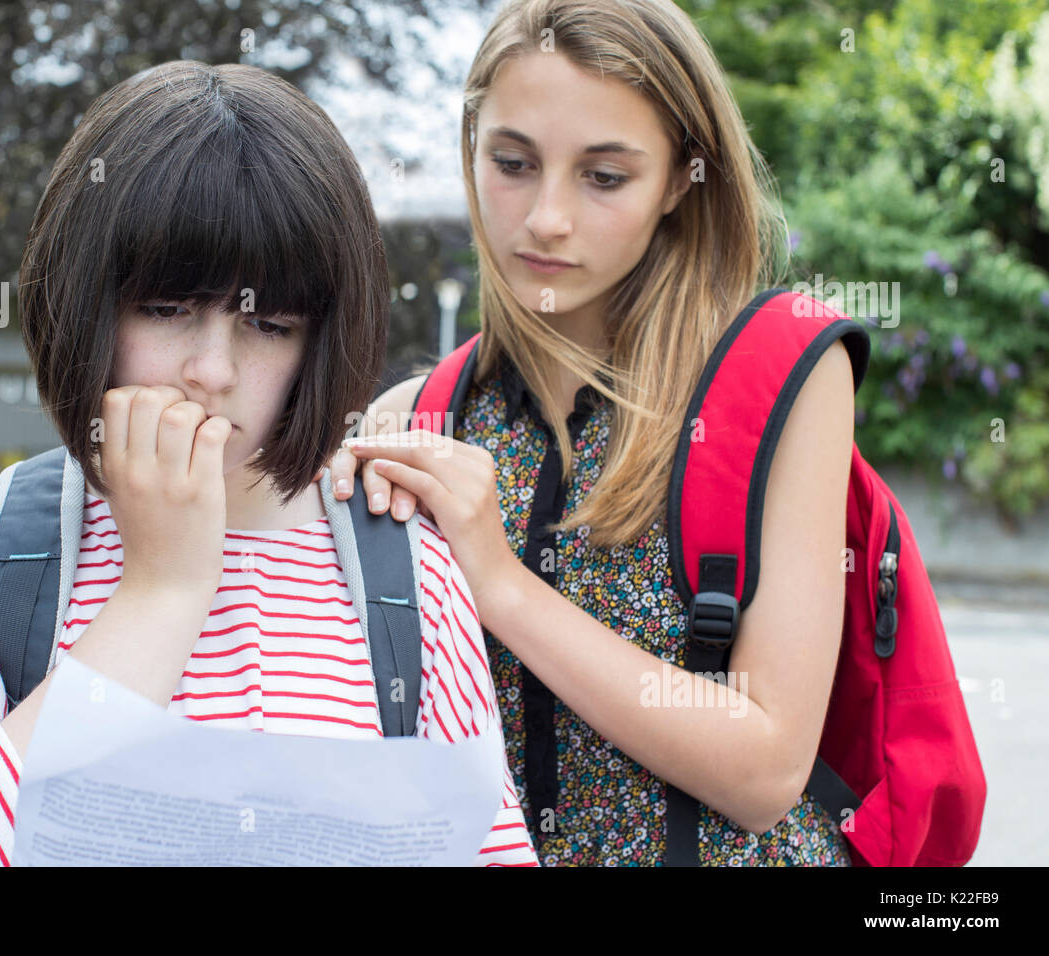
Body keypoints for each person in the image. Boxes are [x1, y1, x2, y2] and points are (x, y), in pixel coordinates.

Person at [0, 60, 537, 867]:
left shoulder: (404, 563)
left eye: (270, 323)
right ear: (85, 302)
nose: (213, 370)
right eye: (168, 309)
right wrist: (161, 589)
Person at [325, 0, 856, 865]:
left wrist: (497, 583)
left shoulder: (783, 370)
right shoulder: (418, 417)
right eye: (512, 162)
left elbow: (766, 773)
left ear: (685, 179)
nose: (546, 218)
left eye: (604, 177)